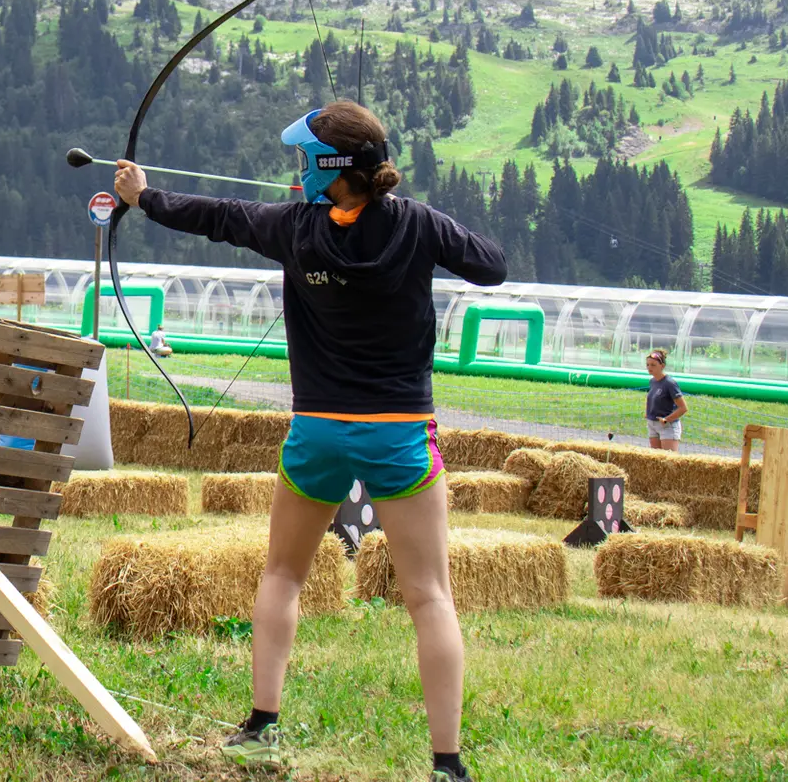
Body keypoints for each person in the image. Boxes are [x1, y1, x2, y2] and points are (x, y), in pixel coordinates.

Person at [114, 100, 505, 782]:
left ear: (329, 170)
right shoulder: (414, 223)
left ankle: (263, 722)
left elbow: (217, 217)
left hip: (316, 434)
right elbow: (492, 266)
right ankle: (447, 762)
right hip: (400, 435)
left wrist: (143, 197)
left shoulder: (294, 229)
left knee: (283, 574)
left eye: (305, 162)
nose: (297, 173)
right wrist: (422, 229)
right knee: (430, 596)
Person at [645, 348, 687, 451]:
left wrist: (666, 419)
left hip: (667, 426)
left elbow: (683, 408)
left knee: (668, 461)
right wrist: (648, 413)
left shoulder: (669, 383)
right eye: (648, 365)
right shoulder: (652, 381)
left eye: (653, 365)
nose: (649, 367)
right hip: (652, 424)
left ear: (662, 366)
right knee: (656, 460)